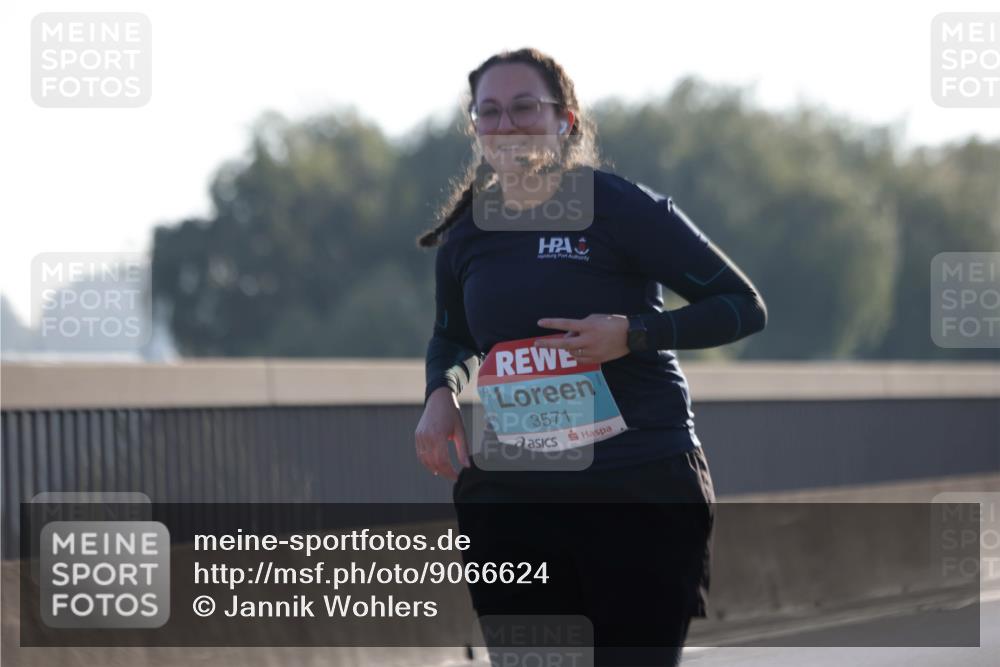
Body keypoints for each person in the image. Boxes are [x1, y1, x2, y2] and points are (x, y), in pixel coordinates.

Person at [413, 47, 767, 666]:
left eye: (525, 107)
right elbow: (454, 337)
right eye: (489, 112)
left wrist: (632, 334)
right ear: (476, 128)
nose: (506, 124)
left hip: (636, 485)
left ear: (565, 121)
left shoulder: (619, 208)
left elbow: (742, 306)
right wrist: (440, 393)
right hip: (515, 498)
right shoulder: (468, 233)